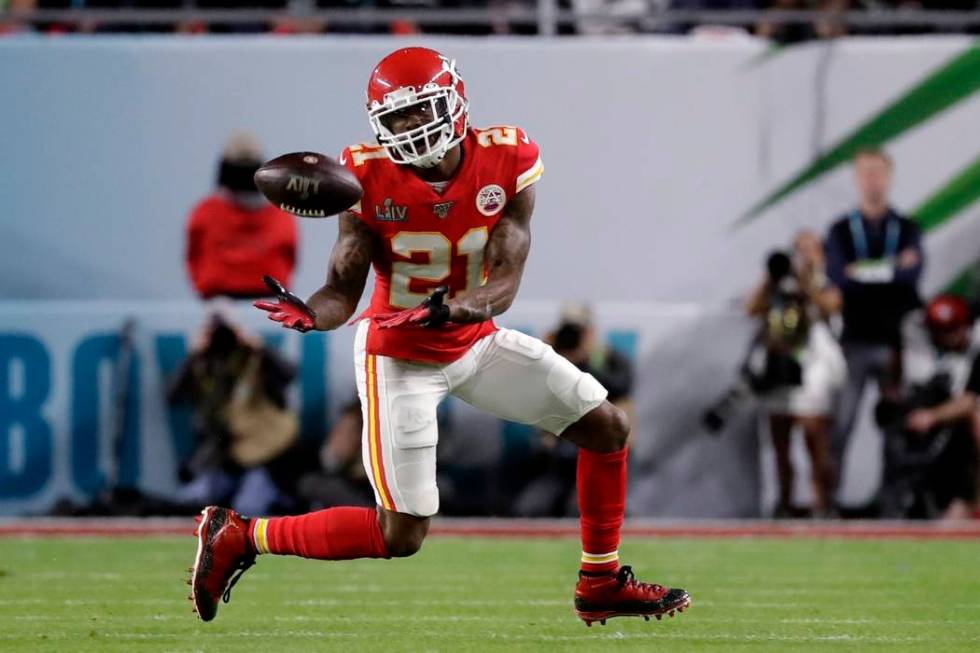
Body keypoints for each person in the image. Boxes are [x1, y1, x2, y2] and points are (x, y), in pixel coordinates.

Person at [188, 47, 690, 627]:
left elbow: (504, 283)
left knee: (606, 425)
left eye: (418, 111)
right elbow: (340, 291)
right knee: (401, 531)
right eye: (394, 119)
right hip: (398, 355)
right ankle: (241, 535)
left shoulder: (509, 158)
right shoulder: (365, 176)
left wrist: (455, 309)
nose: (407, 128)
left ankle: (599, 582)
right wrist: (312, 313)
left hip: (473, 340)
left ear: (455, 102)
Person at [825, 148, 924, 492]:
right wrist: (892, 267)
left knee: (896, 426)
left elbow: (911, 278)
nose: (873, 180)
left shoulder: (907, 227)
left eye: (878, 173)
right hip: (853, 340)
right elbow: (840, 276)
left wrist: (862, 272)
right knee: (842, 424)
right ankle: (828, 505)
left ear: (890, 177)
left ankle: (892, 507)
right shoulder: (840, 230)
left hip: (894, 342)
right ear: (855, 179)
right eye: (866, 173)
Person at [744, 242, 845, 517]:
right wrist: (771, 277)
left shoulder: (823, 284)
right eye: (798, 249)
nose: (802, 255)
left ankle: (823, 502)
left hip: (812, 367)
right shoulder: (777, 285)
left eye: (809, 249)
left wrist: (808, 281)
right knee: (780, 441)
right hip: (780, 369)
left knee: (815, 436)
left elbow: (831, 306)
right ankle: (784, 503)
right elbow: (751, 309)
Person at [513, 303, 634, 517]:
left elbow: (620, 387)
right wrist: (548, 357)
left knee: (593, 502)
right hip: (557, 444)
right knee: (540, 503)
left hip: (600, 440)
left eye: (579, 330)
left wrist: (584, 363)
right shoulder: (550, 355)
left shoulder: (607, 358)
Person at [876, 295, 979, 519]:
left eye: (951, 330)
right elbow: (898, 380)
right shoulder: (913, 332)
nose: (945, 337)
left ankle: (971, 502)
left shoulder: (975, 348)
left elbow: (970, 400)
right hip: (918, 410)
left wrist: (933, 416)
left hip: (959, 420)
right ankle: (896, 506)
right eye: (939, 331)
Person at [185, 131, 298, 300]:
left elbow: (193, 257)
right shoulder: (281, 214)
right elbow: (290, 256)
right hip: (261, 303)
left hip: (222, 303)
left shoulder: (205, 212)